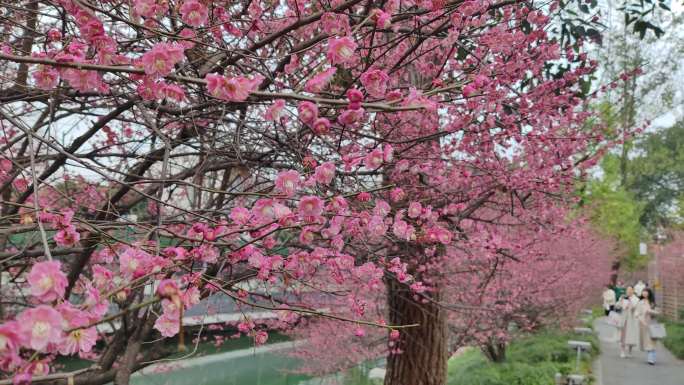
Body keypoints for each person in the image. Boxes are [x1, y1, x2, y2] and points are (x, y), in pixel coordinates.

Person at [636, 288, 659, 365]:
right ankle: (651, 355)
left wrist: (650, 311)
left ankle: (651, 358)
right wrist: (641, 320)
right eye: (643, 292)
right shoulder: (640, 302)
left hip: (652, 324)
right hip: (644, 324)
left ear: (649, 293)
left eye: (646, 292)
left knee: (652, 341)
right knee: (647, 341)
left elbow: (658, 312)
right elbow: (637, 313)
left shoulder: (652, 303)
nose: (644, 293)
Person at [616, 286, 639, 358]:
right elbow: (617, 307)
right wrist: (620, 300)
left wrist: (630, 301)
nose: (628, 291)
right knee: (623, 335)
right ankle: (622, 351)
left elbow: (635, 308)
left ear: (633, 290)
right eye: (627, 290)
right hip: (623, 318)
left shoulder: (636, 299)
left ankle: (630, 351)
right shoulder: (623, 297)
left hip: (631, 319)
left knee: (631, 335)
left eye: (630, 290)